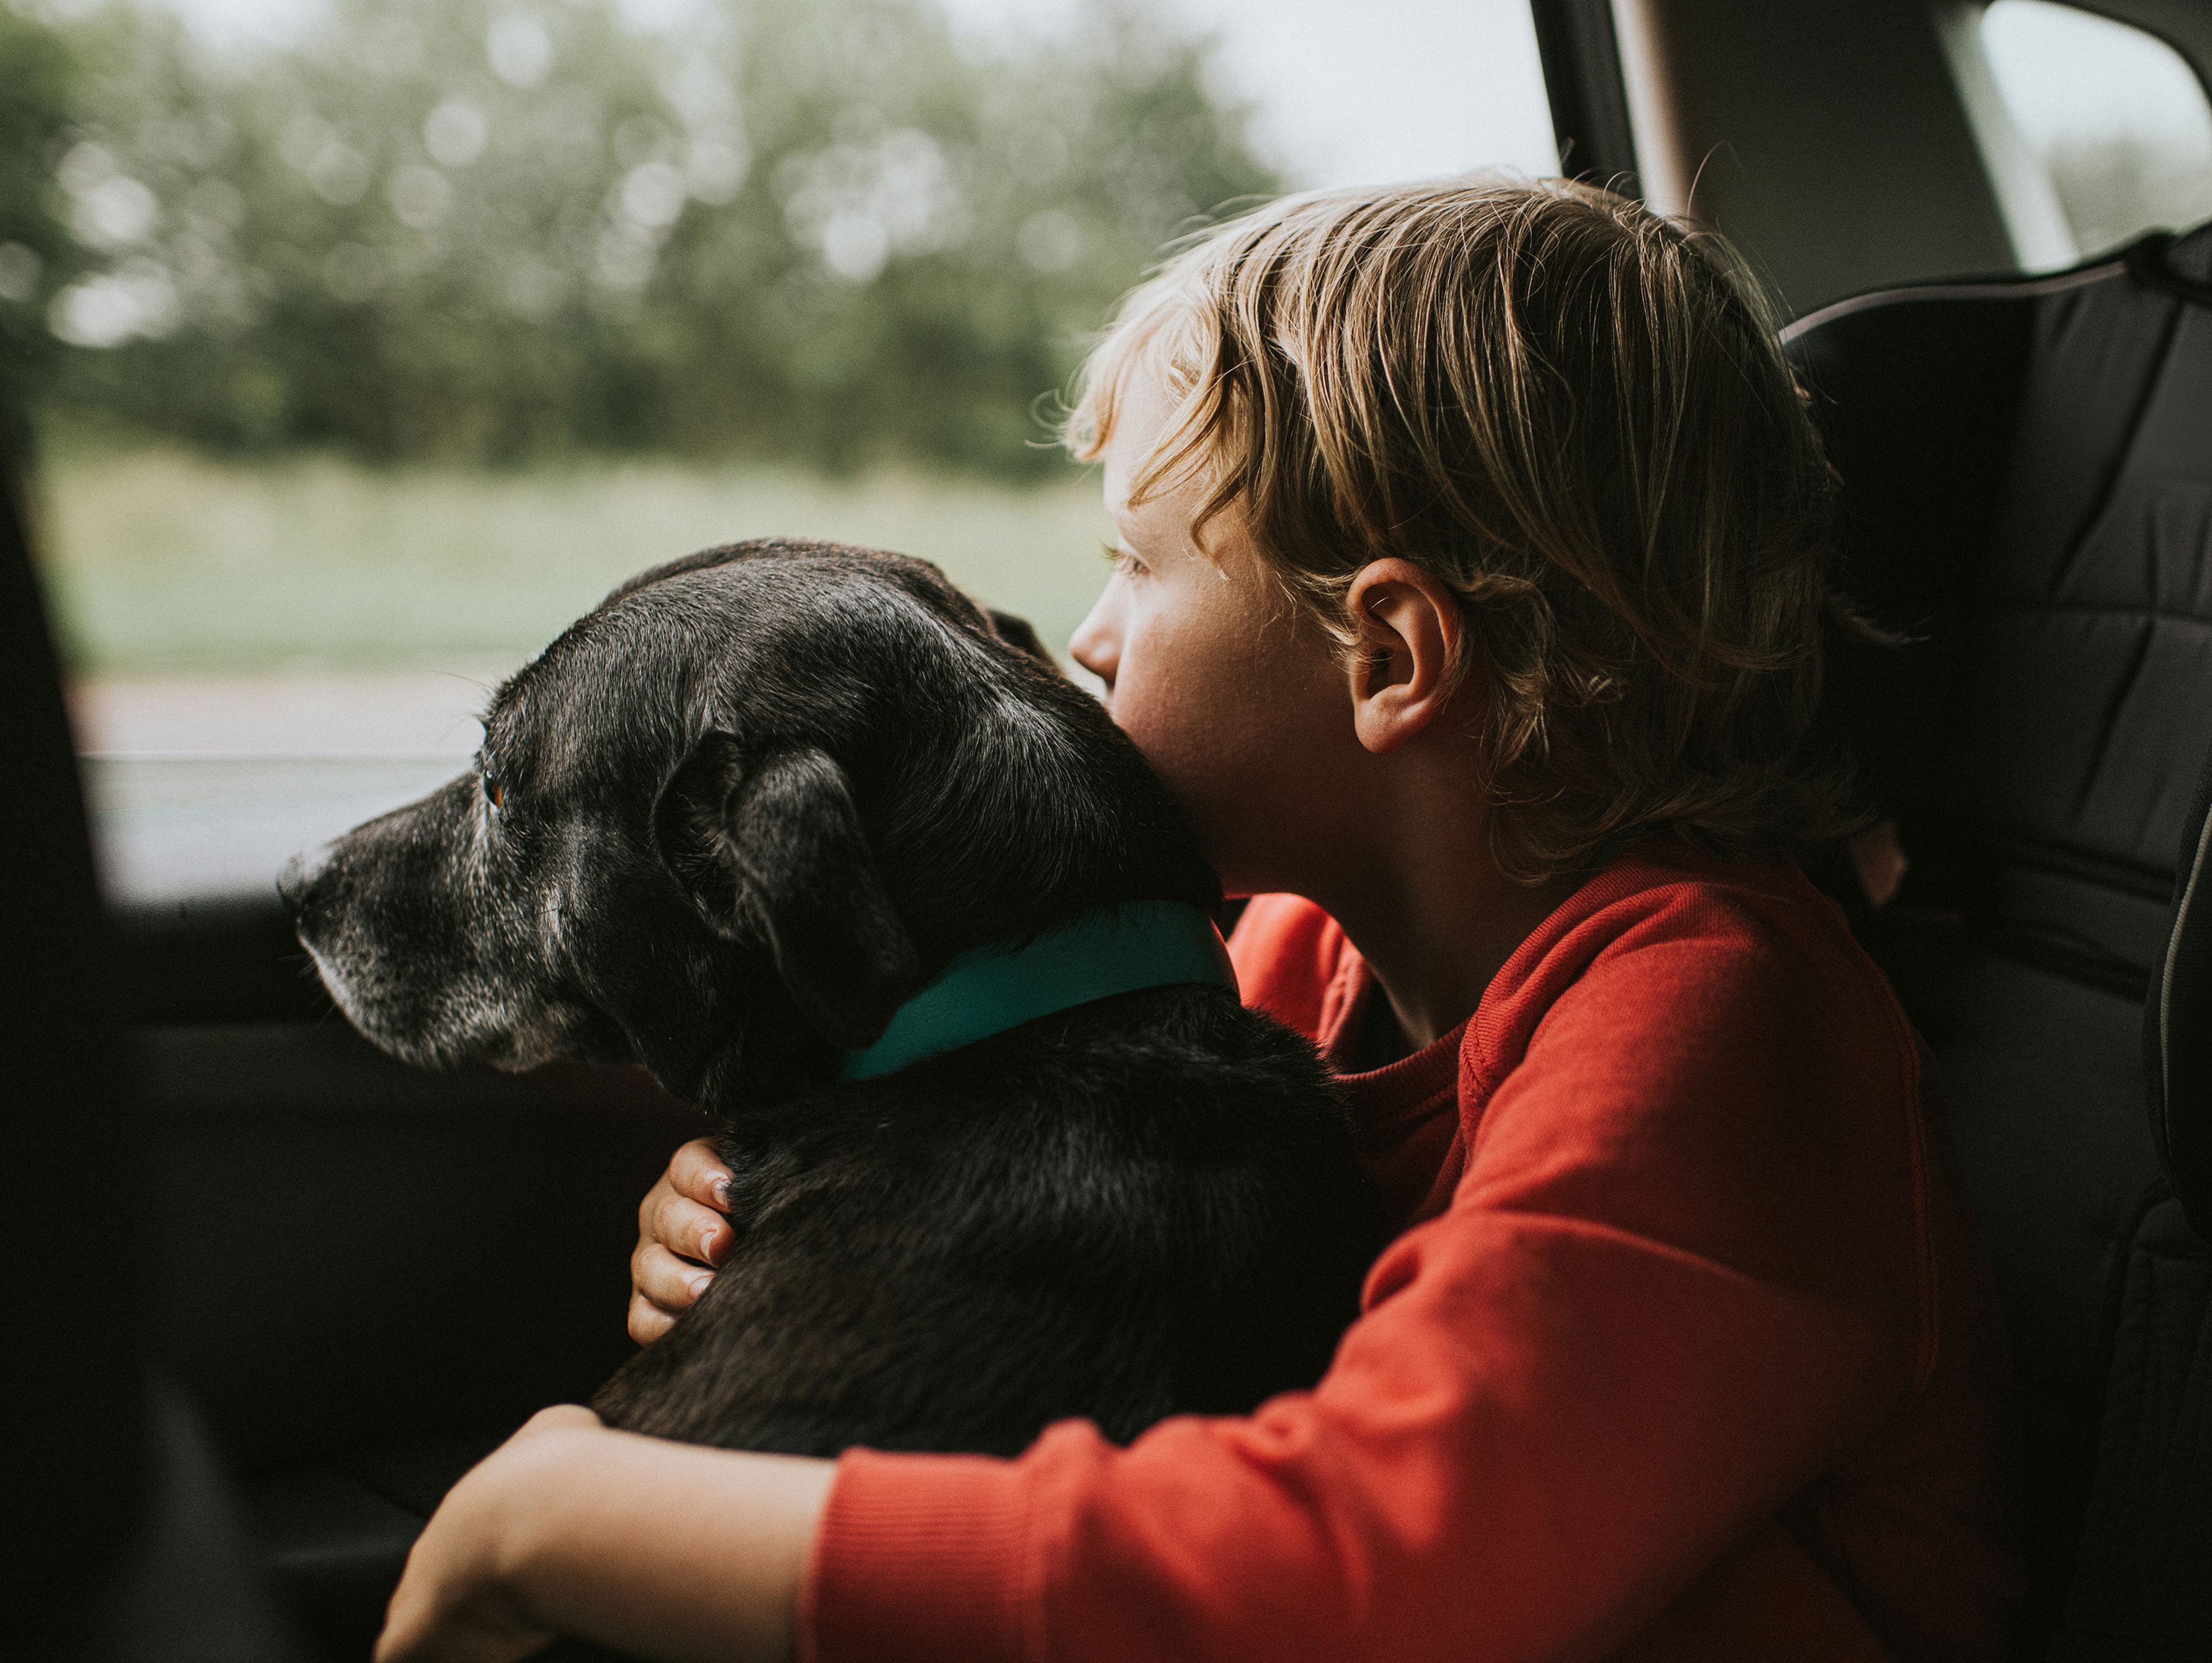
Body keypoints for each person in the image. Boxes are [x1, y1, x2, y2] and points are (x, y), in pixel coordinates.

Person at [377, 177, 2018, 1663]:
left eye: (1137, 566)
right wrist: (785, 1211)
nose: (1085, 642)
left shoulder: (1718, 1024)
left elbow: (1356, 1578)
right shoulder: (1300, 958)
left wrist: (567, 1518)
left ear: (1389, 656)